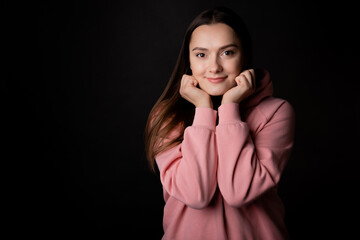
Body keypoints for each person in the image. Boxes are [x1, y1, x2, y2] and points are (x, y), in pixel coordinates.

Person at [145, 6, 295, 240]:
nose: (214, 67)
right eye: (201, 54)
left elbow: (239, 192)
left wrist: (229, 107)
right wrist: (204, 110)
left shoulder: (276, 112)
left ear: (244, 55)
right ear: (189, 61)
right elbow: (197, 195)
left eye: (227, 53)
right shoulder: (166, 117)